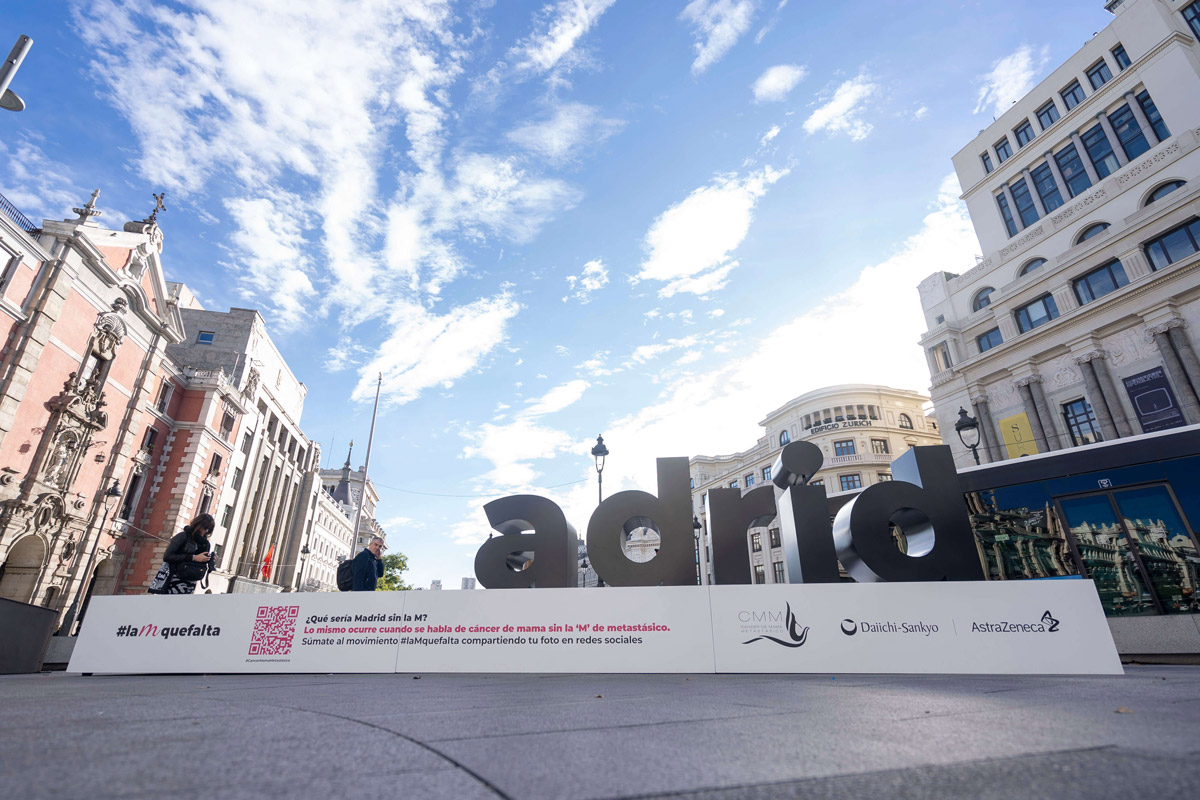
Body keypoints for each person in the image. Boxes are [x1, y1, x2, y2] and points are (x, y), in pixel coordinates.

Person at [147, 513, 214, 595]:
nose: (206, 531)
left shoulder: (205, 543)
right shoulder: (183, 536)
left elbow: (201, 561)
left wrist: (209, 560)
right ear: (198, 525)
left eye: (209, 529)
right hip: (175, 577)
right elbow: (167, 556)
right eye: (205, 527)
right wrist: (193, 557)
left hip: (191, 580)